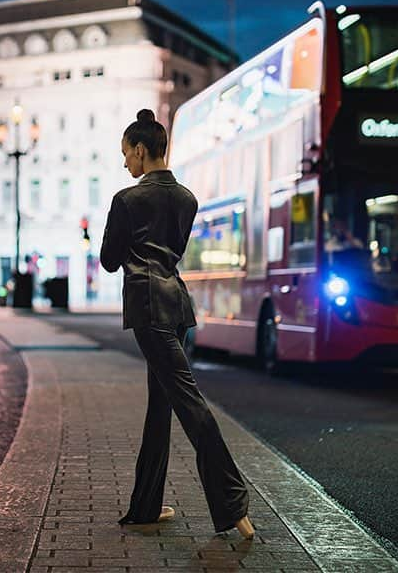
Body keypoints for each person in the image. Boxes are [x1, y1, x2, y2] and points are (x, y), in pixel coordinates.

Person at [100, 109, 254, 539]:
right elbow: (172, 252)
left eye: (127, 153)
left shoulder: (126, 200)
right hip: (177, 307)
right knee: (160, 408)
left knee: (188, 404)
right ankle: (146, 506)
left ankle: (231, 502)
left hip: (148, 308)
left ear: (142, 149)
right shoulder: (187, 198)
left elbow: (110, 261)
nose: (125, 163)